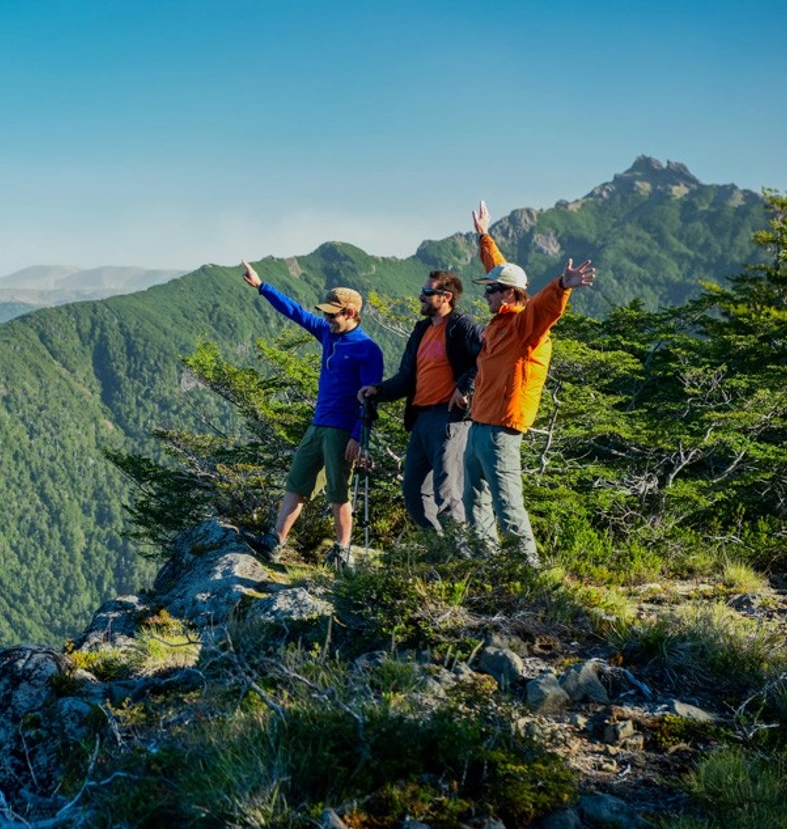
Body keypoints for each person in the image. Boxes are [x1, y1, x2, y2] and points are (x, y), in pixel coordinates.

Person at [463, 200, 595, 564]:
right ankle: (484, 565)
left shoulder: (525, 326)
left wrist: (562, 286)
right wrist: (484, 236)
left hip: (501, 429)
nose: (485, 294)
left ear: (508, 294)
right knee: (474, 500)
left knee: (507, 505)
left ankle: (529, 576)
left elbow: (544, 307)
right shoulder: (502, 320)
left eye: (491, 290)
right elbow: (499, 269)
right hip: (479, 424)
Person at [240, 260, 384, 570]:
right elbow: (296, 312)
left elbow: (371, 399)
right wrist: (262, 286)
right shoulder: (328, 333)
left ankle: (342, 552)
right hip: (318, 423)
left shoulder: (368, 350)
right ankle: (275, 542)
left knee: (338, 493)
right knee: (297, 483)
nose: (325, 318)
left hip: (342, 430)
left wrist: (358, 437)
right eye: (325, 313)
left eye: (332, 314)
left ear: (350, 313)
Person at [358, 270, 483, 535]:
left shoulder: (463, 326)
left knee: (447, 492)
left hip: (450, 418)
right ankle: (439, 545)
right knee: (414, 493)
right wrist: (377, 391)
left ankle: (460, 556)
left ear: (446, 297)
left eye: (427, 293)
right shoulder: (422, 329)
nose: (421, 297)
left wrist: (464, 387)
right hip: (421, 418)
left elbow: (486, 359)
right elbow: (406, 377)